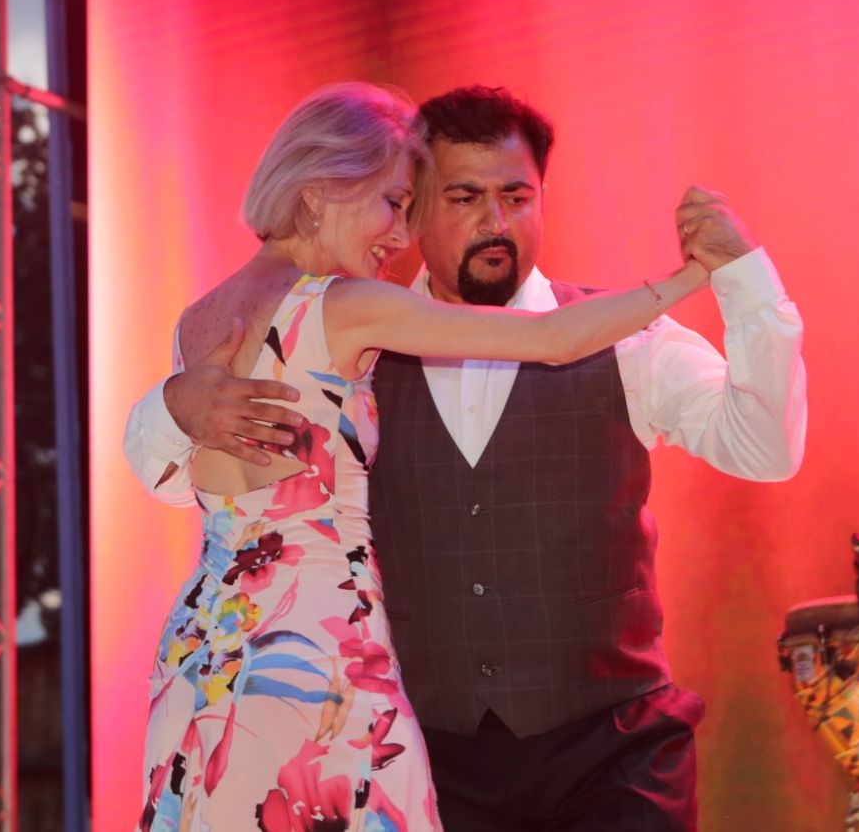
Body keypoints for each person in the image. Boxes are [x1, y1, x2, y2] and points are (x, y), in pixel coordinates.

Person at [129, 83, 715, 832]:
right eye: (392, 203)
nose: (401, 233)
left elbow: (180, 475)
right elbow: (552, 338)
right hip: (319, 644)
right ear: (319, 194)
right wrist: (692, 276)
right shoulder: (346, 307)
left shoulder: (197, 318)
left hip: (208, 642)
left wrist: (170, 404)